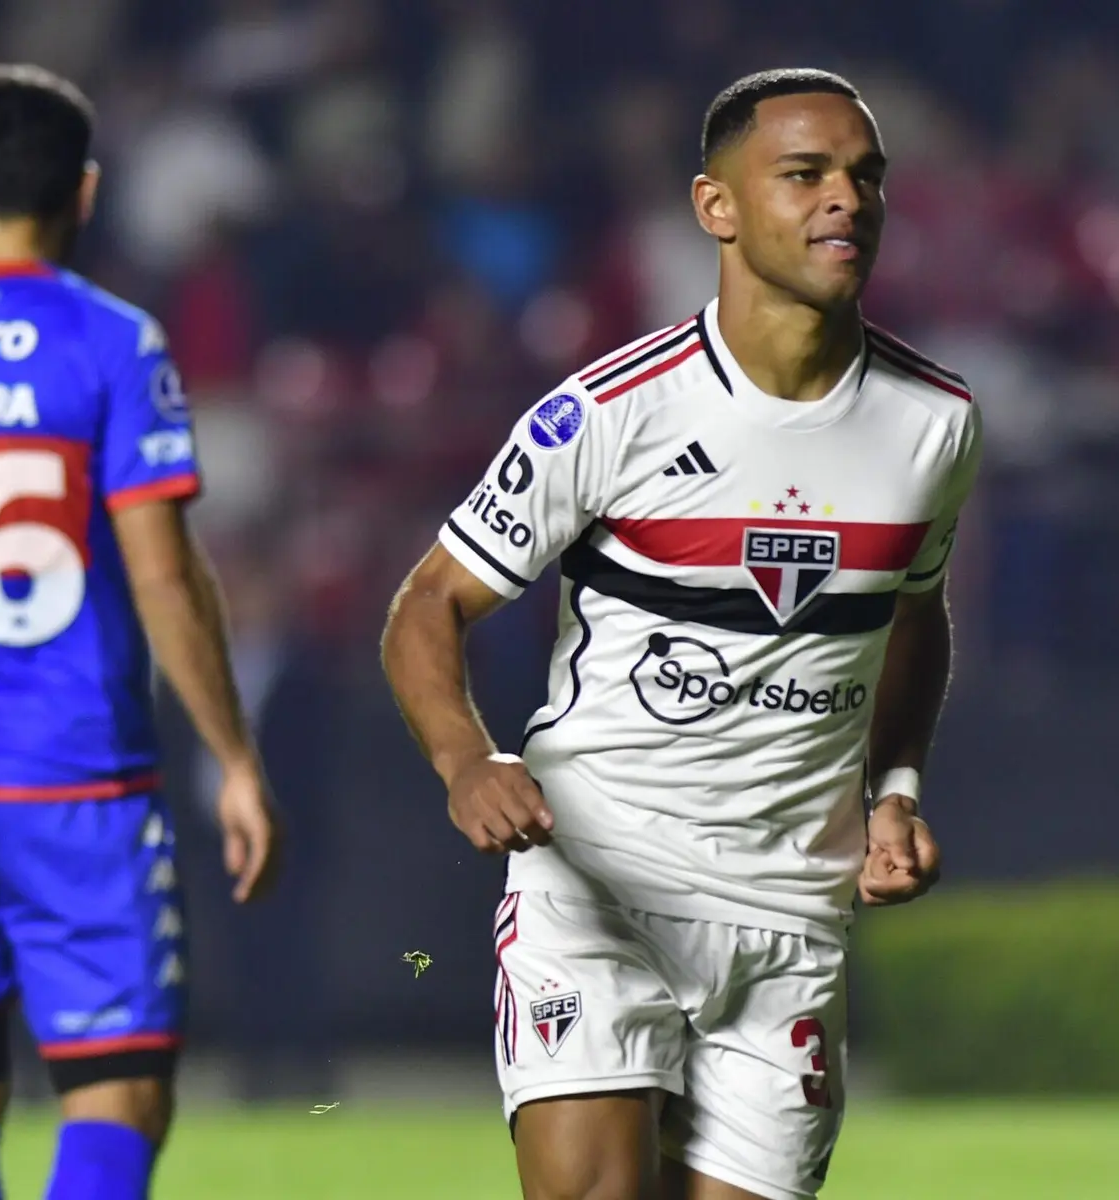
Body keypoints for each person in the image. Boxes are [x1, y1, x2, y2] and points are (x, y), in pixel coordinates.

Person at [383, 68, 982, 1200]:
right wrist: (466, 760)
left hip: (789, 914)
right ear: (717, 208)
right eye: (803, 176)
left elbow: (915, 611)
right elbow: (429, 604)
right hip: (599, 879)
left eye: (864, 178)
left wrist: (894, 783)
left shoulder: (935, 424)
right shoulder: (613, 411)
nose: (844, 201)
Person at [0, 65, 279, 1200]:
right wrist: (232, 758)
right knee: (117, 1092)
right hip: (70, 776)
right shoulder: (109, 340)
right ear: (84, 191)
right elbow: (163, 574)